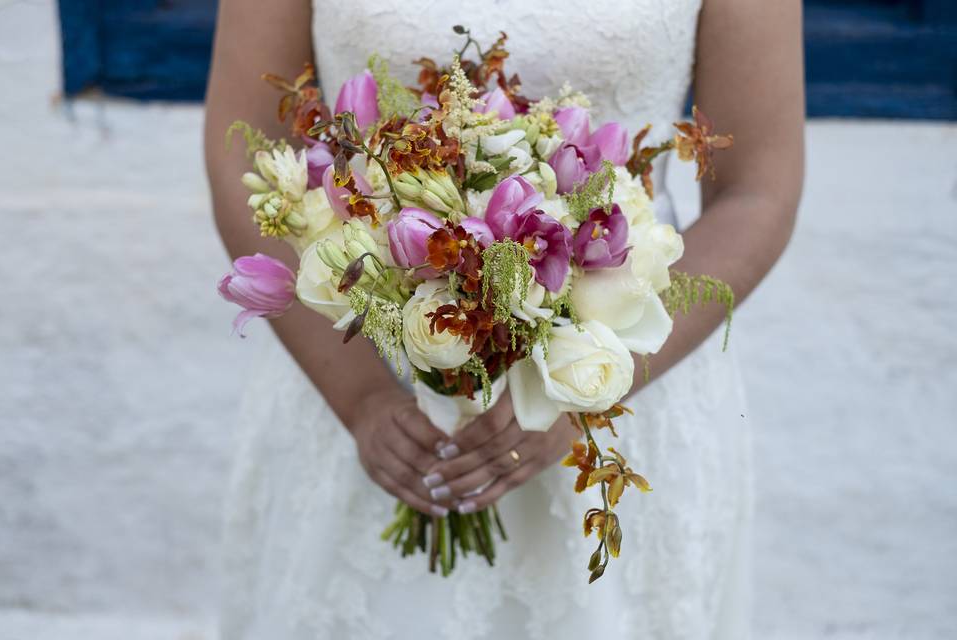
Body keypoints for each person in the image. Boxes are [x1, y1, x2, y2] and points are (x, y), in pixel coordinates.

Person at [204, 0, 804, 637]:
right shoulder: (360, 396)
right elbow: (242, 142)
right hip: (357, 377)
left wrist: (576, 394)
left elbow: (757, 188)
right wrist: (364, 402)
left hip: (621, 380)